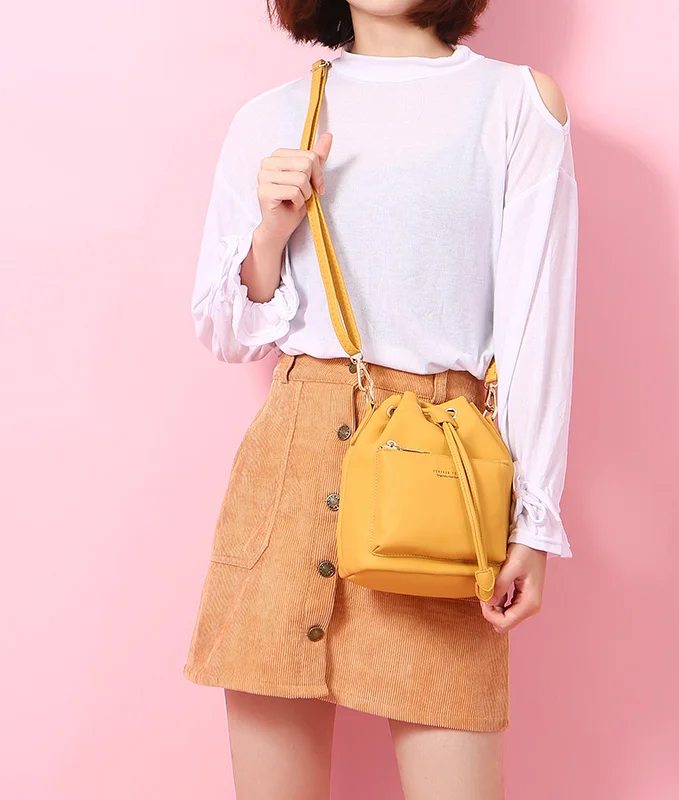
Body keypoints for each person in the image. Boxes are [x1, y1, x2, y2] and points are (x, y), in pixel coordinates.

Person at [183, 1, 578, 797]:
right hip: (290, 477)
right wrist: (270, 232)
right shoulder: (272, 117)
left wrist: (533, 522)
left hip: (441, 479)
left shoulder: (516, 103)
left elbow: (538, 327)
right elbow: (226, 332)